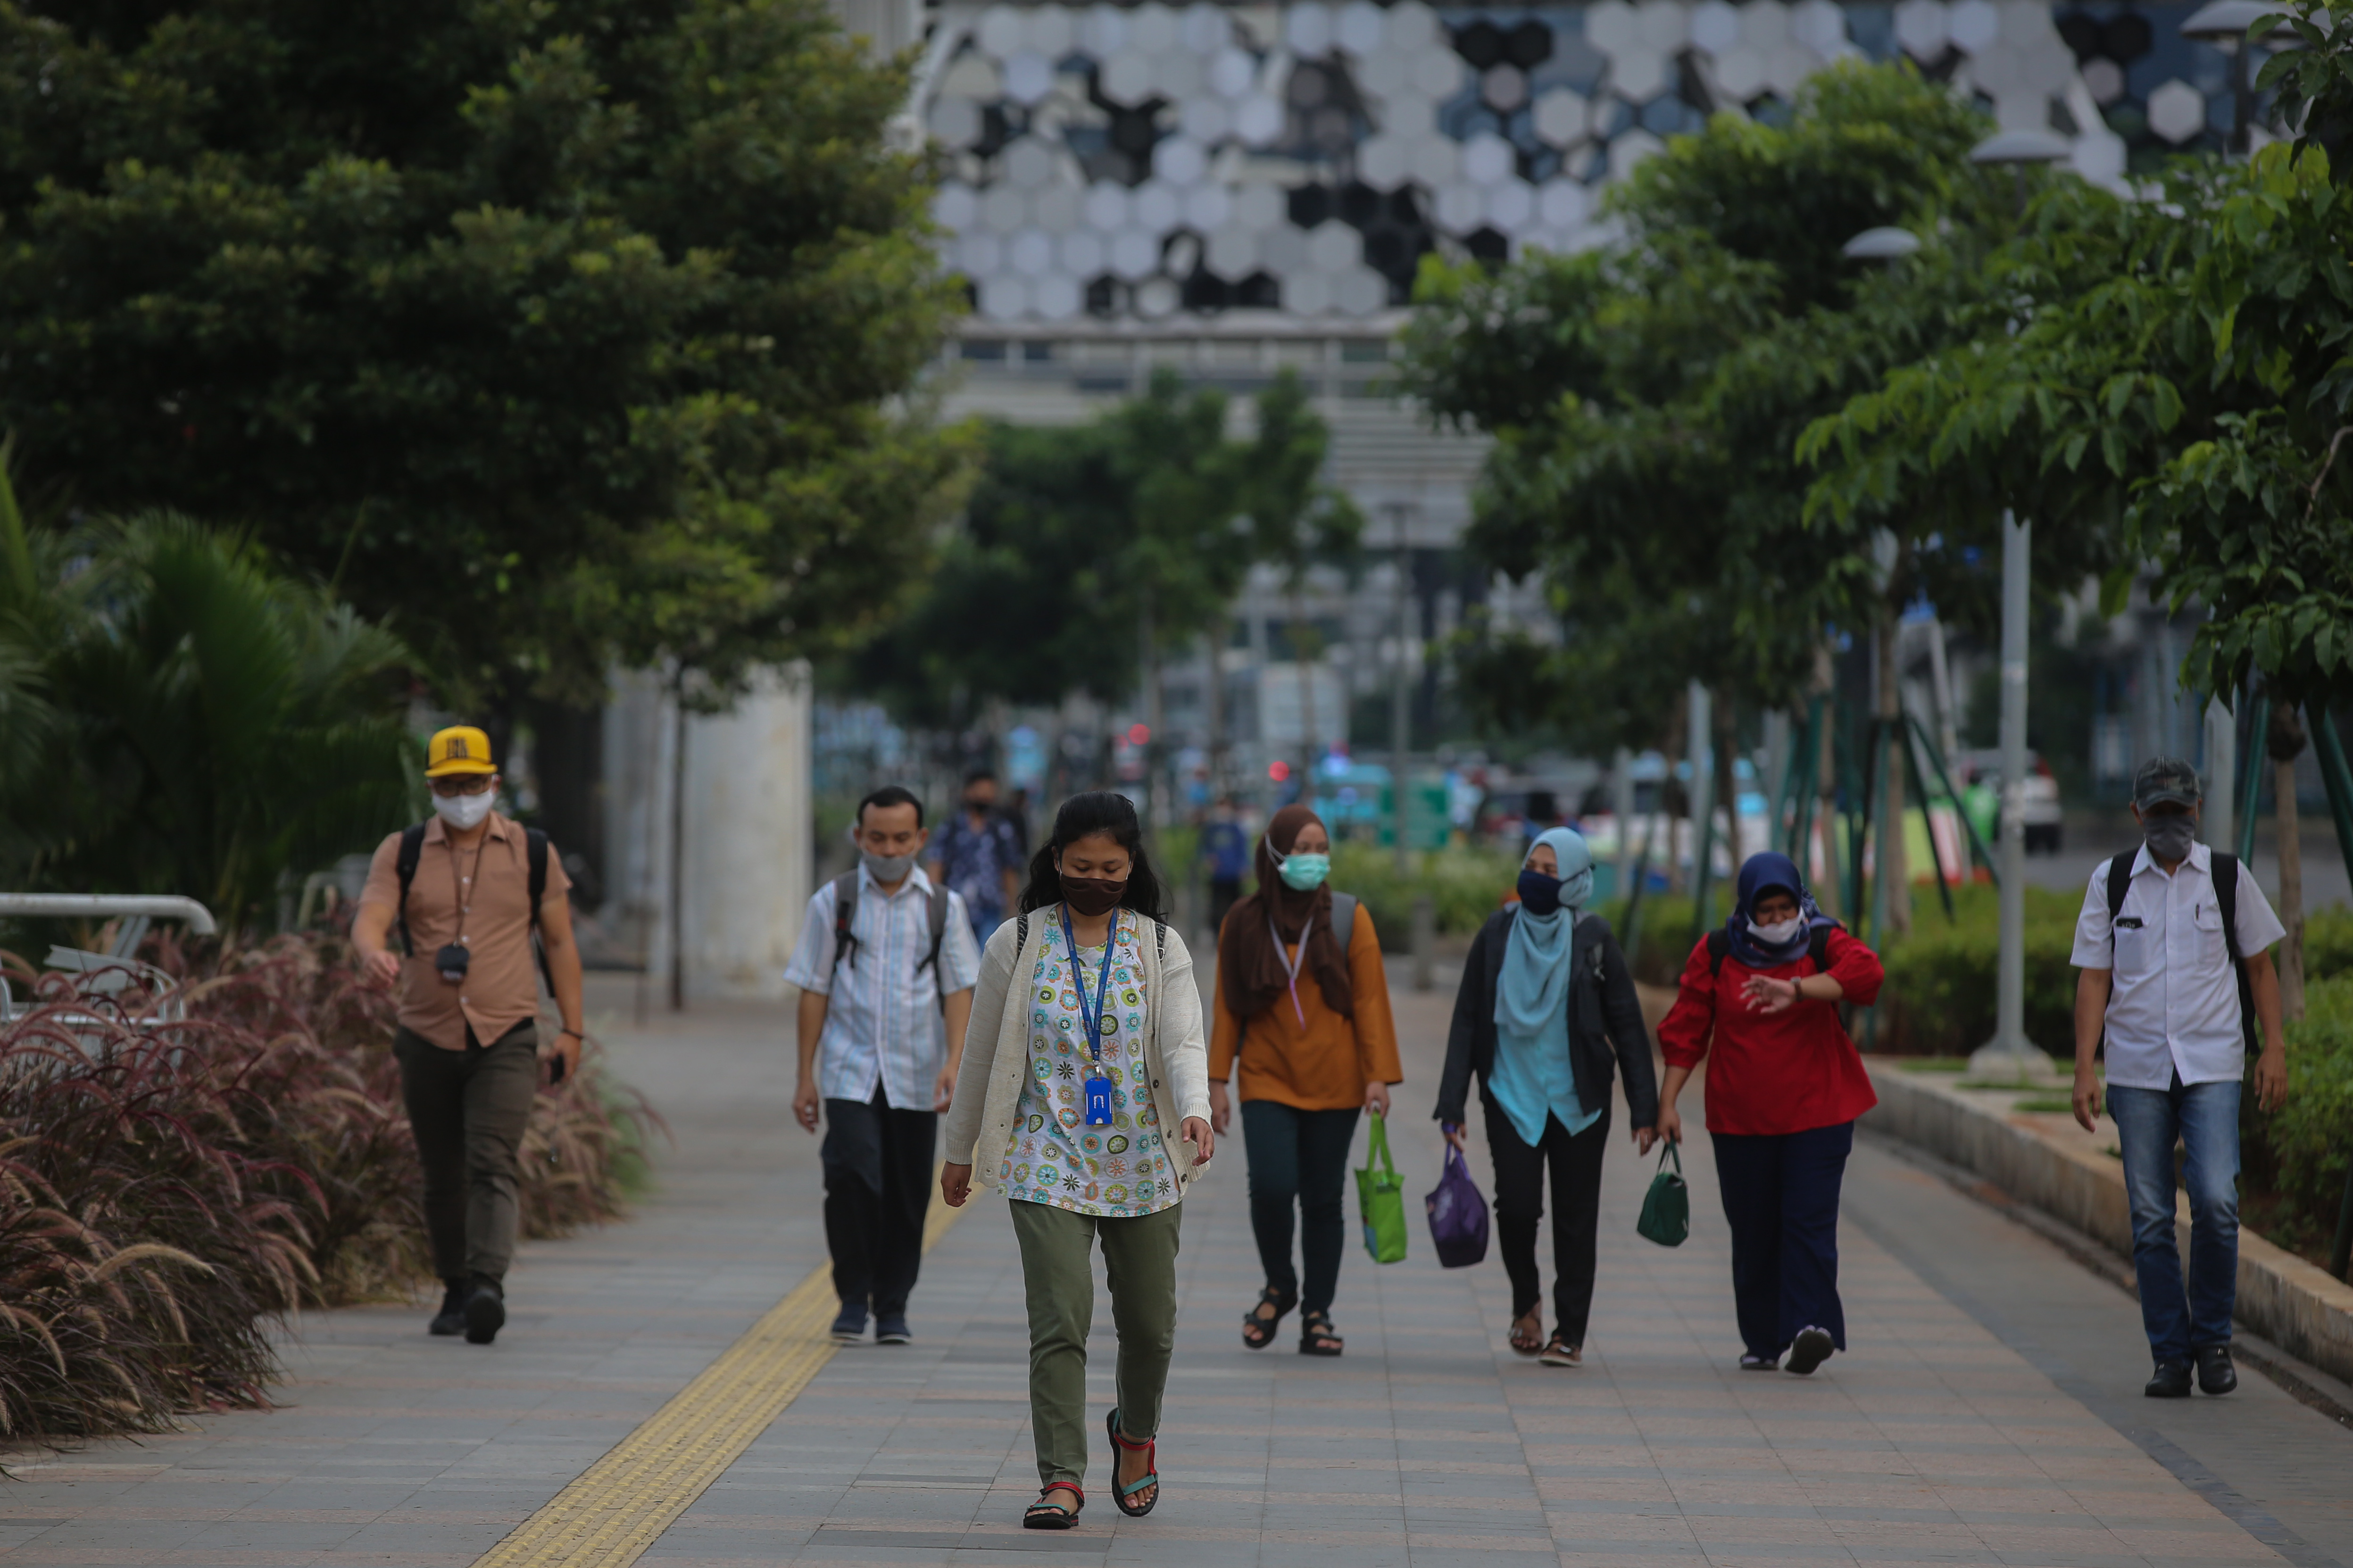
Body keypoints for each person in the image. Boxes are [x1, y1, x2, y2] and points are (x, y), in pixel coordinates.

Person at [940, 791, 1215, 1530]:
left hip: (1145, 1160)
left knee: (1151, 1326)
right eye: (1081, 865)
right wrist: (959, 1149)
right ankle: (1061, 1477)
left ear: (1133, 868)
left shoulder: (1159, 946)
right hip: (1045, 1155)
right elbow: (981, 1057)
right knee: (1060, 1319)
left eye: (1112, 867)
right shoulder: (1016, 941)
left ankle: (1134, 1434)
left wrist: (1195, 1107)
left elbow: (1184, 1041)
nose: (1096, 877)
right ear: (1055, 860)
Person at [353, 726, 586, 1346]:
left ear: (495, 784)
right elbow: (371, 916)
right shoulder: (401, 850)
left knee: (492, 1160)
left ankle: (487, 1284)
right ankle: (454, 1286)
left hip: (506, 1031)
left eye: (474, 784)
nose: (463, 796)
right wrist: (372, 953)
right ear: (431, 787)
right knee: (441, 1170)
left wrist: (573, 1031)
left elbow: (559, 943)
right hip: (425, 1034)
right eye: (451, 785)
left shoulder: (533, 852)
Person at [2069, 757, 2286, 1399]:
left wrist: (2273, 1048)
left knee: (2217, 1202)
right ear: (2138, 815)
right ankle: (2170, 1354)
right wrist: (2085, 1066)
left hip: (2213, 1064)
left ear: (2197, 810)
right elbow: (2093, 977)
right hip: (2136, 1069)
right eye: (2157, 812)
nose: (2170, 823)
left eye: (2179, 811)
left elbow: (2260, 970)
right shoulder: (2111, 883)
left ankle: (2212, 1339)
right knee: (2149, 1216)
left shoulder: (2227, 877)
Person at [1434, 827, 1658, 1367]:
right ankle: (1526, 1303)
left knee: (1576, 1217)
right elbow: (1467, 1017)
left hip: (1579, 1100)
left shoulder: (1594, 937)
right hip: (1511, 1093)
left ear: (1578, 882)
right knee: (1516, 1207)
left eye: (1551, 870)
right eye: (1531, 864)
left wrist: (1645, 1109)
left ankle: (1570, 1332)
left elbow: (1628, 1025)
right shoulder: (1497, 932)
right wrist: (1452, 1102)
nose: (1535, 875)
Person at [1655, 851, 1883, 1376]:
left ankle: (1810, 1326)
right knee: (1754, 1227)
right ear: (1747, 911)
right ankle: (1761, 1338)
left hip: (1819, 1111)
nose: (1779, 920)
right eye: (1767, 911)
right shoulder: (1717, 952)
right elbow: (1687, 1027)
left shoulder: (1824, 941)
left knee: (1808, 1222)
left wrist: (1798, 989)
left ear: (1800, 902)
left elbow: (1867, 974)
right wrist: (1668, 1103)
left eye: (1786, 908)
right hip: (1741, 1117)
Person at [784, 785, 981, 1346]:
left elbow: (958, 986)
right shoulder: (834, 901)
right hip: (849, 1070)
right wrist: (805, 1074)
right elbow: (813, 988)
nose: (889, 849)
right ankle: (852, 1293)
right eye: (877, 838)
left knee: (906, 1189)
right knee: (851, 1174)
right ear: (858, 837)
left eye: (901, 838)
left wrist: (954, 1060)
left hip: (917, 1073)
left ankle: (892, 1305)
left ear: (920, 839)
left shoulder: (943, 906)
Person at [1208, 805, 1400, 1358]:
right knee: (1270, 1185)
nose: (1314, 859)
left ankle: (1317, 1311)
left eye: (1322, 849)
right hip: (1267, 1077)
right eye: (1302, 849)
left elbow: (1369, 1000)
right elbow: (1227, 1007)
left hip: (1337, 1082)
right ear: (1274, 854)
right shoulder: (1242, 921)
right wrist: (1217, 1081)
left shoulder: (1347, 917)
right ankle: (1279, 1283)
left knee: (1322, 1199)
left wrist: (1379, 1077)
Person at [927, 767, 1025, 944]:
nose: (984, 796)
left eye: (989, 791)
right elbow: (936, 863)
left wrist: (1012, 910)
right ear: (968, 792)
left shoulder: (1001, 829)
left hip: (991, 906)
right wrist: (934, 903)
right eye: (980, 790)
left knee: (986, 956)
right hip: (955, 906)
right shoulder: (951, 827)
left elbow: (1009, 870)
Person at [1199, 796, 1250, 935]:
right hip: (1218, 875)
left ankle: (1235, 931)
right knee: (1217, 906)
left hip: (1234, 875)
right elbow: (1205, 849)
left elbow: (1243, 849)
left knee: (1235, 905)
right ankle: (1218, 933)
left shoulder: (1236, 828)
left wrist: (1244, 867)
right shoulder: (1211, 830)